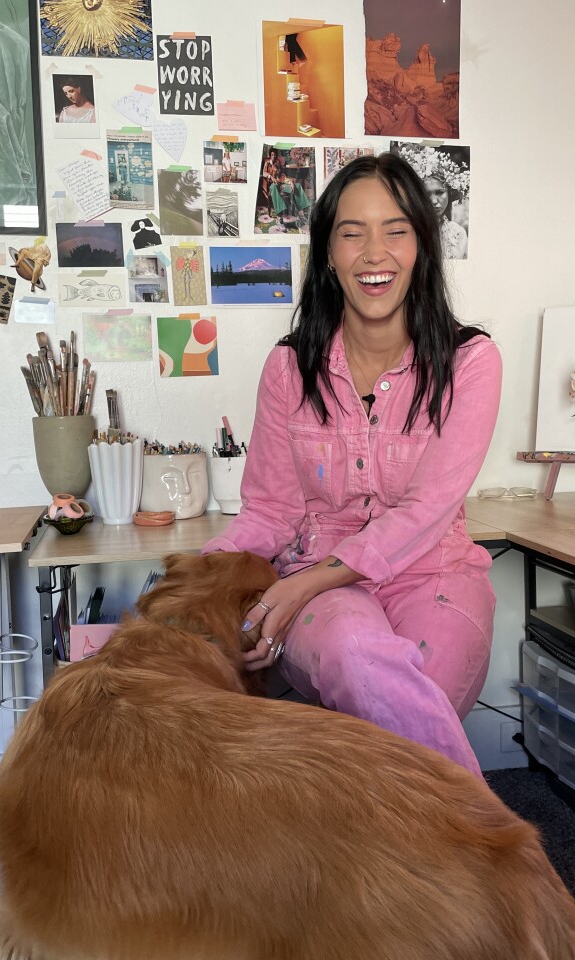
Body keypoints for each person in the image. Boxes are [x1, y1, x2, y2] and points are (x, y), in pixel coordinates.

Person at [202, 153, 502, 774]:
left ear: (421, 245)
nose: (375, 252)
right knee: (356, 655)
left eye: (395, 230)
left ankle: (408, 854)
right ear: (329, 253)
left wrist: (297, 586)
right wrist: (202, 582)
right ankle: (488, 850)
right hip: (320, 583)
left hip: (434, 573)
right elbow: (272, 508)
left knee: (414, 699)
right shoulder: (289, 368)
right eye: (352, 232)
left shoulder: (471, 362)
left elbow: (426, 511)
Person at [425, 174, 468, 260]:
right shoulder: (409, 230)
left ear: (449, 193)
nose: (433, 201)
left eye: (439, 192)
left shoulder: (458, 233)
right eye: (426, 194)